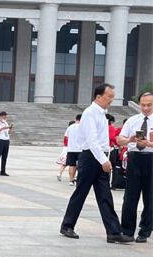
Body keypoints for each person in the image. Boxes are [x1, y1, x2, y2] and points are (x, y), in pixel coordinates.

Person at [60, 83, 133, 243]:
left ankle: (113, 231)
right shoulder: (90, 113)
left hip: (100, 157)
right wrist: (104, 160)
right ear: (98, 97)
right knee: (81, 192)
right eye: (109, 97)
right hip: (91, 158)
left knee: (105, 195)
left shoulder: (102, 114)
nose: (111, 100)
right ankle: (67, 225)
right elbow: (92, 141)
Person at [118, 90, 153, 243]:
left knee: (150, 197)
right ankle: (127, 230)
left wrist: (149, 144)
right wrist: (129, 140)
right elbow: (119, 139)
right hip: (135, 159)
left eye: (149, 105)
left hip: (151, 158)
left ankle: (145, 231)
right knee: (130, 196)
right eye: (143, 105)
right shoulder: (132, 120)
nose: (146, 108)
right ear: (139, 104)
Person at [0, 111, 12, 176]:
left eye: (6, 117)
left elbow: (8, 132)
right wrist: (2, 128)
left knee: (4, 156)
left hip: (6, 140)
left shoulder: (6, 123)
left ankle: (3, 171)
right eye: (4, 117)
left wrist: (10, 129)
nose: (5, 118)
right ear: (0, 116)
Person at [64, 114, 82, 185]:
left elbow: (66, 137)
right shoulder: (83, 127)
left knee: (72, 165)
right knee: (81, 165)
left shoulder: (70, 127)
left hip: (71, 149)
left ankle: (71, 180)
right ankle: (79, 179)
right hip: (81, 149)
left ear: (75, 119)